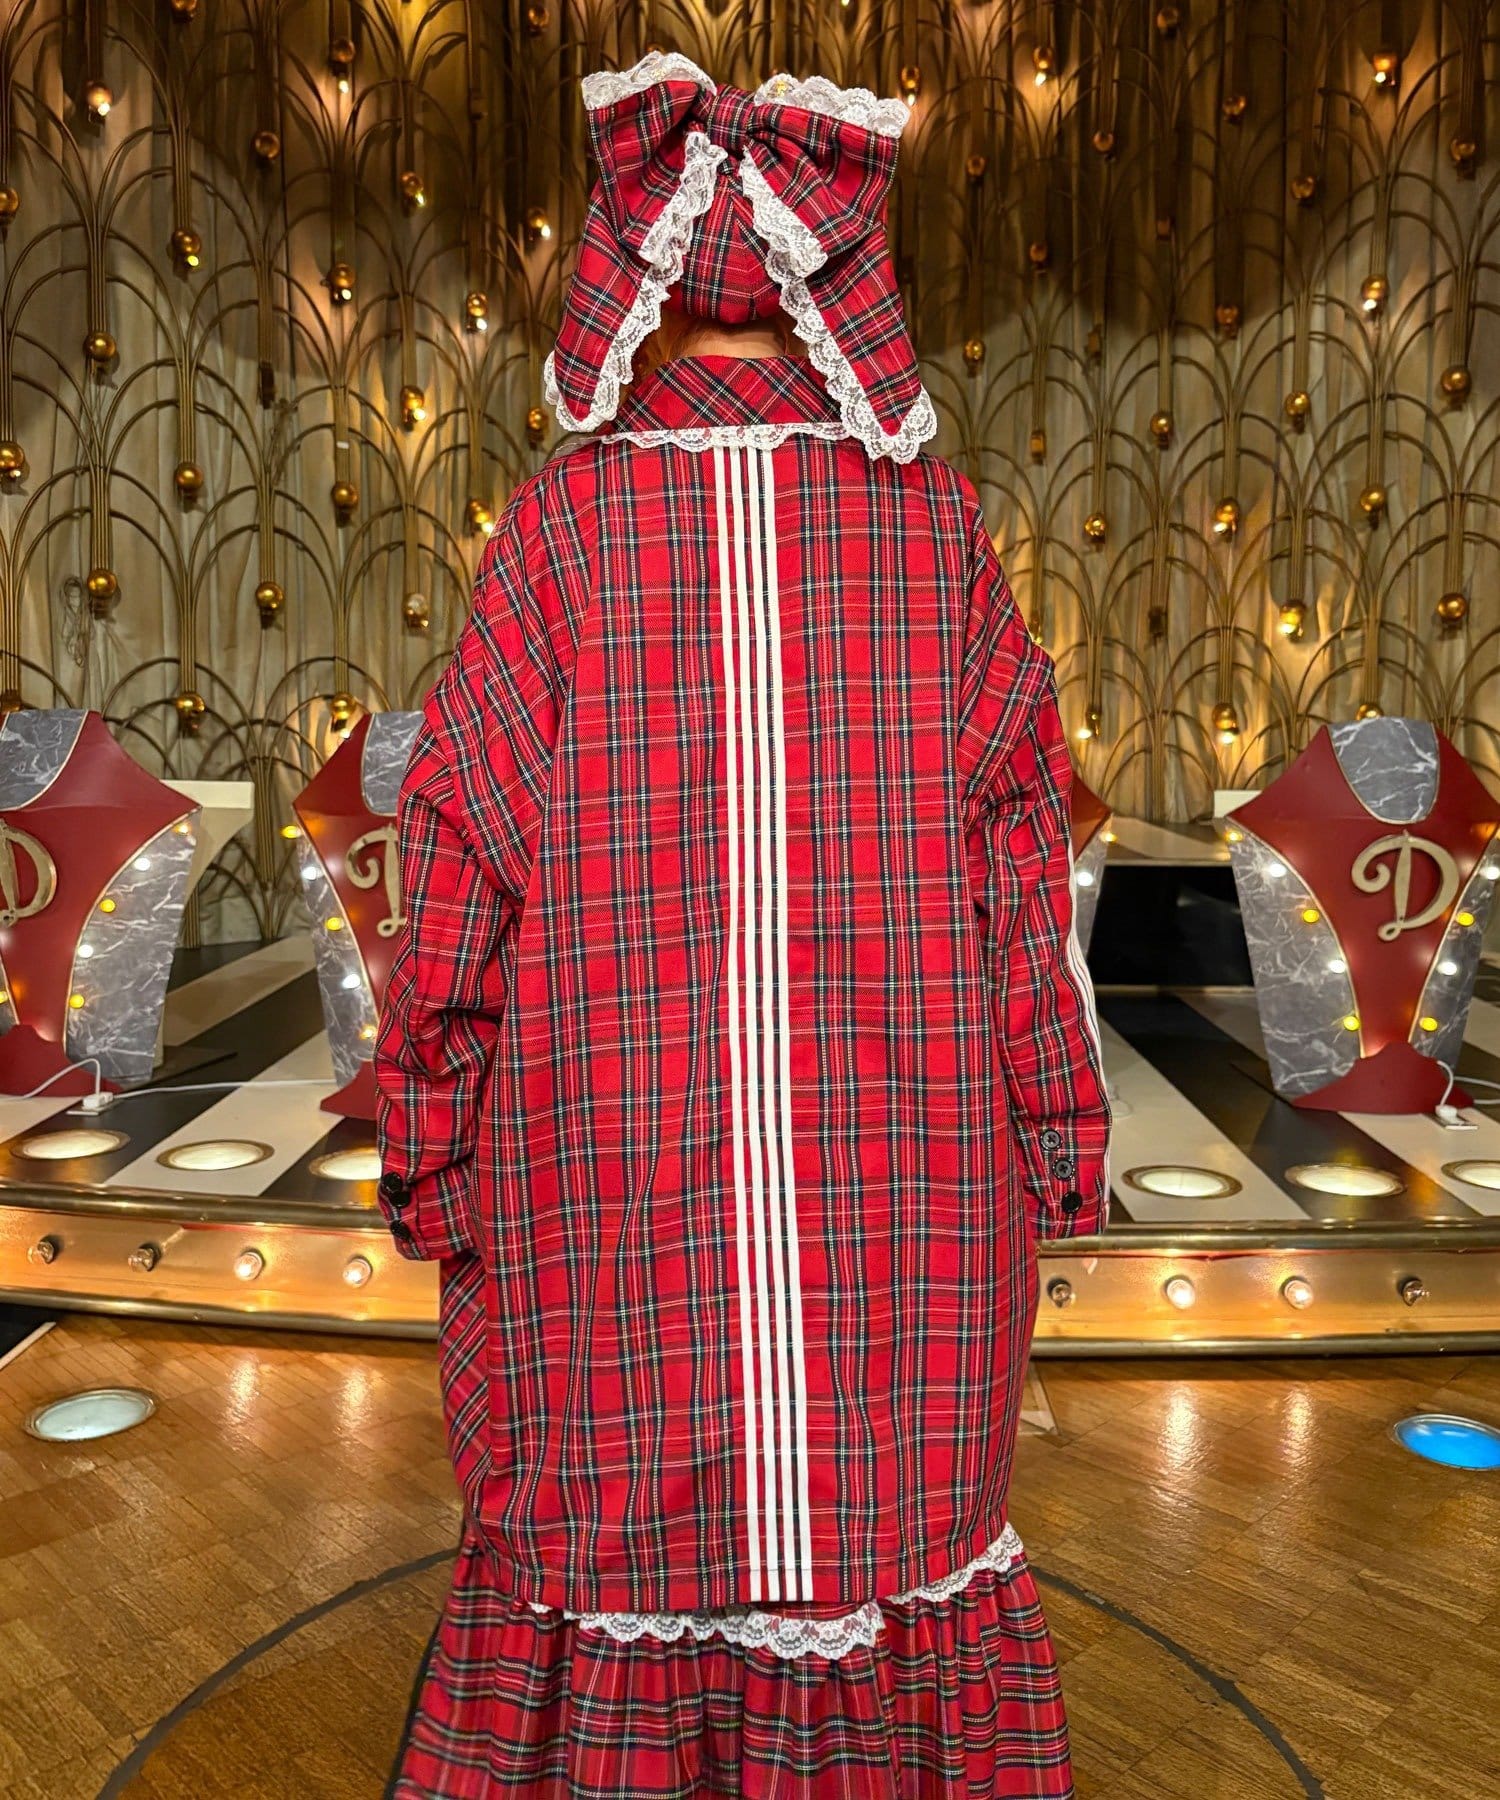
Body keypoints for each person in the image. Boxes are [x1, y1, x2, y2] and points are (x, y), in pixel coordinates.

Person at [374, 50, 1110, 1799]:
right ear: (823, 291)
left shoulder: (554, 535)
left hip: (608, 1176)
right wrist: (1058, 1134)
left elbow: (455, 866)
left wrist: (428, 1143)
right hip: (908, 1184)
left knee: (609, 1515)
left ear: (642, 290)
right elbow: (1028, 878)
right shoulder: (939, 537)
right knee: (887, 1516)